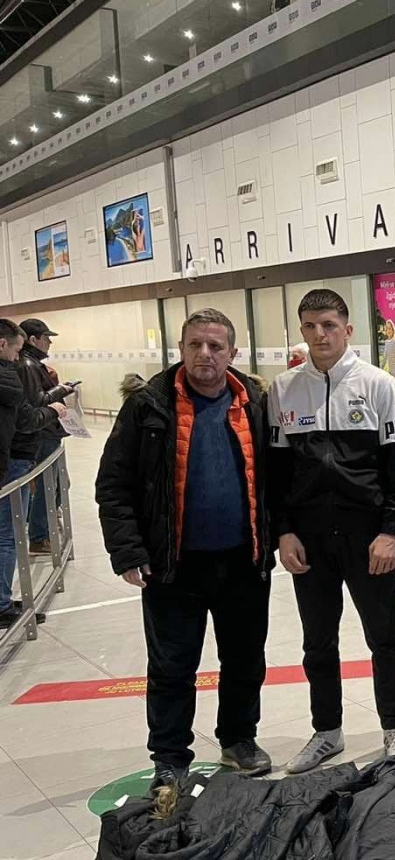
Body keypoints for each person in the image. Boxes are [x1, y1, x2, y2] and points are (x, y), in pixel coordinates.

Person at [95, 309, 274, 789]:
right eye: (195, 345)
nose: (205, 355)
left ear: (233, 353)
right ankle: (170, 756)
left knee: (245, 659)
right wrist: (128, 551)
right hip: (173, 565)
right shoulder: (148, 406)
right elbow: (113, 483)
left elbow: (276, 477)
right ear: (181, 349)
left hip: (244, 560)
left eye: (216, 346)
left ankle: (239, 739)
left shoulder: (255, 401)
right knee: (172, 666)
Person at [268, 289, 395, 773]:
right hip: (309, 539)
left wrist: (390, 530)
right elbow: (277, 472)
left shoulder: (378, 384)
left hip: (367, 536)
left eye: (329, 325)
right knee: (317, 641)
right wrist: (284, 531)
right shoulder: (283, 389)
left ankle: (394, 729)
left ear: (347, 330)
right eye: (310, 327)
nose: (320, 335)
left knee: (384, 637)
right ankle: (327, 731)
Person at [0, 320, 66, 630]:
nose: (17, 356)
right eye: (15, 349)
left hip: (12, 457)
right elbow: (26, 417)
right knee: (7, 534)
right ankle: (2, 604)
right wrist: (55, 408)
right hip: (13, 458)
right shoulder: (13, 375)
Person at [17, 319, 65, 554]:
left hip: (44, 431)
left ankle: (39, 532)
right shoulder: (28, 365)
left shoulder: (30, 363)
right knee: (47, 485)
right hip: (42, 433)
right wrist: (60, 391)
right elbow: (37, 401)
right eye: (46, 338)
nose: (49, 343)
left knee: (52, 484)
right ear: (33, 339)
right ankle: (39, 536)